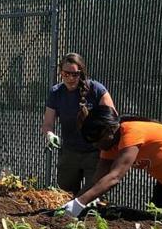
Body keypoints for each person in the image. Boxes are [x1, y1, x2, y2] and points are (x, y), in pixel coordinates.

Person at [61, 105, 162, 219]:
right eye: (93, 143)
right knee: (157, 220)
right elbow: (96, 180)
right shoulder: (109, 145)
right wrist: (72, 203)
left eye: (98, 141)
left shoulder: (131, 132)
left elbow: (114, 177)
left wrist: (80, 203)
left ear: (110, 130)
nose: (96, 146)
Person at [41, 53, 116, 197]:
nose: (70, 78)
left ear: (81, 72)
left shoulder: (96, 89)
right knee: (65, 196)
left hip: (95, 153)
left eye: (74, 74)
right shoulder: (56, 92)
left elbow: (112, 119)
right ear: (61, 72)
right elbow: (47, 123)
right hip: (70, 153)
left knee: (93, 197)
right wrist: (50, 134)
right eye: (66, 74)